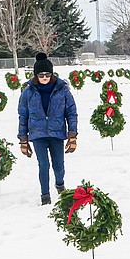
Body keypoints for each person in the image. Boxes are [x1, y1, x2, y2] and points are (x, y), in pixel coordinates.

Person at [17, 53, 78, 205]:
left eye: (47, 74)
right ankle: (45, 195)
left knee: (58, 165)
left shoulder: (62, 90)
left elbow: (71, 112)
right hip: (38, 134)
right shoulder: (28, 92)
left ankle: (60, 183)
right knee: (43, 164)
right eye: (41, 75)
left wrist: (72, 136)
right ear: (36, 75)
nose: (44, 77)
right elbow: (23, 115)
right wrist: (23, 140)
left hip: (56, 133)